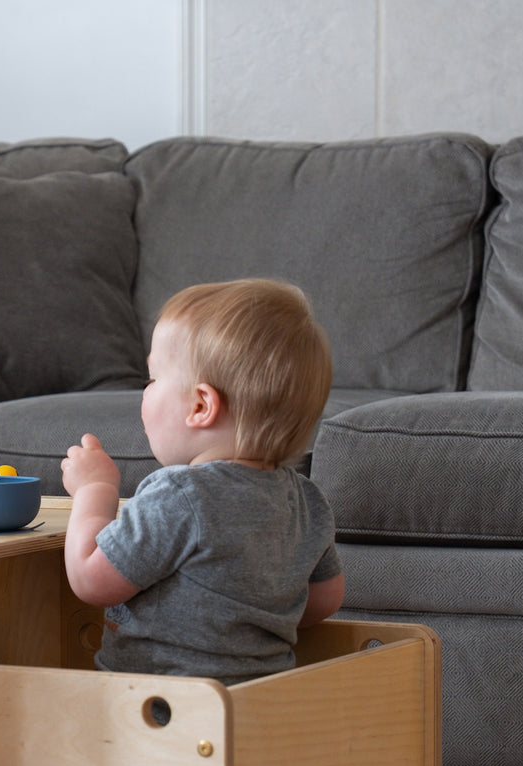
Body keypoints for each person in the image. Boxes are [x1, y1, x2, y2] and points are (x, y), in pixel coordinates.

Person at [60, 278, 344, 686]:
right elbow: (324, 599)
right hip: (260, 702)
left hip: (164, 714)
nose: (146, 391)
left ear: (200, 406)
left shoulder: (181, 495)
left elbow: (91, 579)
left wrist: (94, 490)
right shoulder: (307, 500)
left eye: (153, 379)